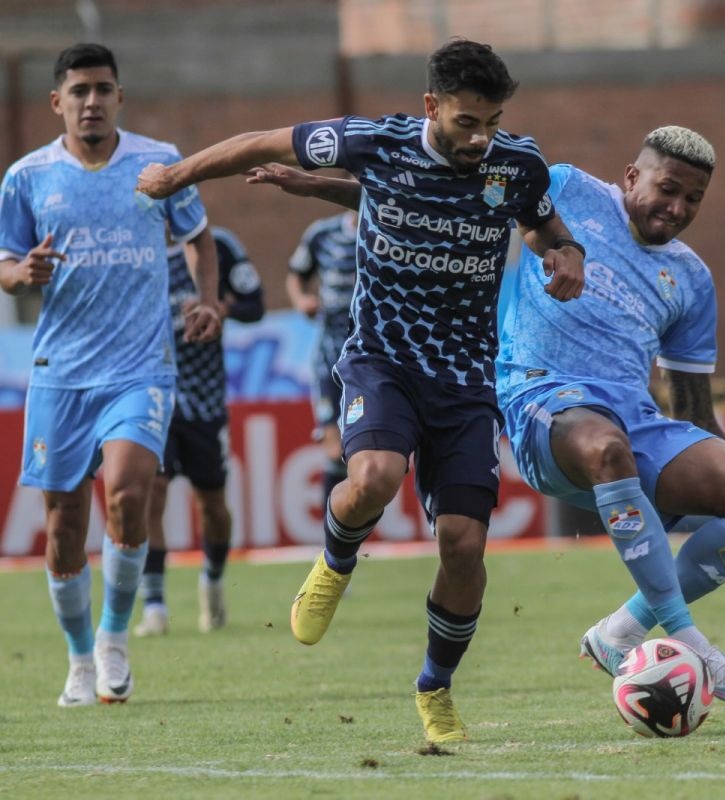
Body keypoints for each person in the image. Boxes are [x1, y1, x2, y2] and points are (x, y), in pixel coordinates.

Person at [136, 38, 585, 743]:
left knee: (464, 546)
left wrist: (567, 257)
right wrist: (174, 176)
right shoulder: (375, 140)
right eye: (468, 121)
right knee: (372, 475)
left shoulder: (515, 164)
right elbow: (261, 140)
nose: (481, 137)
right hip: (382, 357)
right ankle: (335, 561)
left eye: (493, 121)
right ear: (431, 105)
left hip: (467, 376)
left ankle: (435, 690)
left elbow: (541, 226)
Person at [496, 126, 725, 707]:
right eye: (667, 189)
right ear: (632, 176)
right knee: (605, 446)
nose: (677, 209)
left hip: (635, 421)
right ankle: (697, 648)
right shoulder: (567, 189)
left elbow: (694, 410)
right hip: (540, 401)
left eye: (693, 199)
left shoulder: (693, 278)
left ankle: (619, 634)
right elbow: (455, 198)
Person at [0, 43, 220, 706]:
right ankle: (77, 660)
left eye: (102, 89)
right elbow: (6, 262)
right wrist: (20, 276)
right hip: (60, 372)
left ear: (119, 97)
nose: (91, 101)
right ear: (57, 102)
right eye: (79, 91)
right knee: (64, 520)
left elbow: (199, 237)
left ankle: (114, 639)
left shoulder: (157, 162)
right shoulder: (27, 177)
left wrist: (206, 299)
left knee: (128, 492)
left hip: (139, 366)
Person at [134, 227, 265, 637]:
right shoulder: (131, 246)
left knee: (211, 502)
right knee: (151, 491)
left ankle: (212, 579)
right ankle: (154, 605)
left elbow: (254, 304)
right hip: (149, 393)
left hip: (205, 398)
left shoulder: (218, 246)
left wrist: (217, 308)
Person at [285, 211, 357, 512]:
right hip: (328, 361)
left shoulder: (389, 229)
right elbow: (295, 275)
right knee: (333, 449)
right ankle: (332, 538)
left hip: (367, 361)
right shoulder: (322, 233)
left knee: (358, 454)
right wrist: (301, 300)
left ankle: (348, 529)